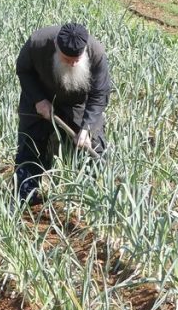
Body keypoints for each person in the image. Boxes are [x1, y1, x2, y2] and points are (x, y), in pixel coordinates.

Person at [14, 22, 112, 202]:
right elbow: (23, 70)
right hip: (41, 97)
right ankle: (26, 191)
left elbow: (100, 93)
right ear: (56, 47)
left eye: (77, 59)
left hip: (78, 103)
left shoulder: (96, 53)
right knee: (31, 141)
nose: (73, 64)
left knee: (94, 145)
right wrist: (38, 99)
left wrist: (87, 127)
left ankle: (87, 196)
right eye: (67, 59)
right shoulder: (38, 43)